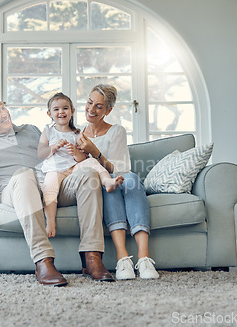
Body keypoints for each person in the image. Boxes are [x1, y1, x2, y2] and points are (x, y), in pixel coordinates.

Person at [0, 93, 115, 286]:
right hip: (15, 191)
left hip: (50, 187)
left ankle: (92, 258)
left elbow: (59, 151)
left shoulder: (31, 130)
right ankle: (43, 261)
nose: (4, 114)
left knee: (87, 173)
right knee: (24, 174)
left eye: (3, 108)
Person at [76, 84, 159, 280]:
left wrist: (96, 152)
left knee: (130, 180)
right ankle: (123, 259)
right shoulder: (76, 134)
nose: (91, 109)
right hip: (97, 186)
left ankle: (144, 258)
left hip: (120, 179)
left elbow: (121, 169)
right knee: (106, 186)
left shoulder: (116, 131)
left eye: (99, 106)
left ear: (108, 110)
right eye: (89, 102)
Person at [38, 92, 124, 238]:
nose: (61, 112)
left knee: (91, 161)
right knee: (50, 186)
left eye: (65, 108)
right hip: (55, 170)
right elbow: (40, 153)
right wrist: (53, 148)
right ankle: (51, 221)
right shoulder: (48, 131)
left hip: (73, 171)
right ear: (49, 113)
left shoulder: (77, 133)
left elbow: (83, 159)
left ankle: (107, 181)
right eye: (56, 109)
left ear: (72, 111)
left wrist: (75, 153)